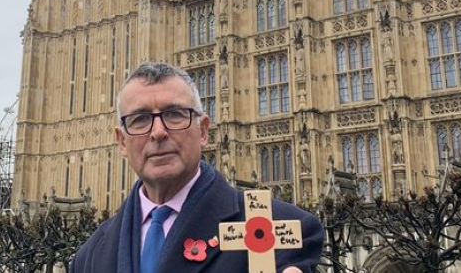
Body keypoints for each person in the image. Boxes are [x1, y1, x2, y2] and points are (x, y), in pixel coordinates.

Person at [70, 62, 323, 273]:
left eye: (174, 115)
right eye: (140, 119)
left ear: (203, 130)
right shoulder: (88, 257)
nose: (158, 132)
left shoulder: (282, 230)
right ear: (122, 141)